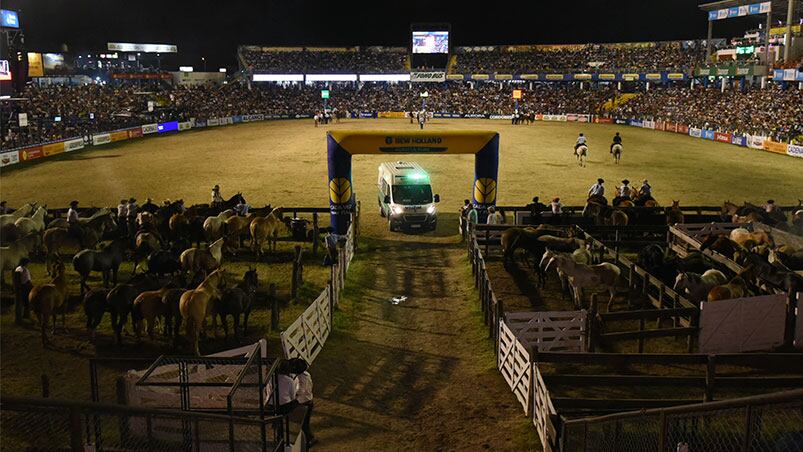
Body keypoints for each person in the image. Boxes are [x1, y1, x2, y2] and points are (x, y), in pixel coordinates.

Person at [288, 358, 316, 447]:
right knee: (304, 424)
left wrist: (293, 396)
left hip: (304, 403)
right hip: (308, 401)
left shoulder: (301, 378)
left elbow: (301, 391)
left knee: (303, 424)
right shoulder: (306, 375)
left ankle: (309, 440)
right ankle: (309, 439)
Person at [13, 257, 33, 321]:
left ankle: (26, 315)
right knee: (20, 302)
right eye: (27, 263)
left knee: (27, 301)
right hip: (23, 287)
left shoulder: (25, 269)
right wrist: (19, 287)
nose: (28, 264)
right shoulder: (19, 269)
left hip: (27, 286)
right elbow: (18, 279)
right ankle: (19, 317)